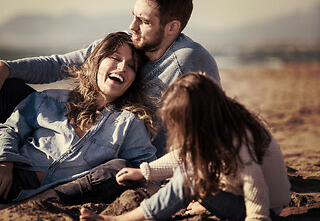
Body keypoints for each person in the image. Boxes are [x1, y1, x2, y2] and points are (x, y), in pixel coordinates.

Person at [0, 0, 221, 158]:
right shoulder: (123, 46)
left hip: (117, 151)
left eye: (143, 21)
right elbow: (58, 65)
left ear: (172, 28)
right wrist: (6, 67)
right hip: (79, 127)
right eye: (133, 15)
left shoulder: (190, 60)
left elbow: (216, 124)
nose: (132, 26)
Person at [0, 32, 157, 217]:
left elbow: (149, 171)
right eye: (115, 58)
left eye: (131, 66)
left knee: (119, 168)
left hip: (52, 197)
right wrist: (4, 163)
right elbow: (9, 129)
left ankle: (9, 209)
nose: (122, 68)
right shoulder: (52, 98)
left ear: (133, 79)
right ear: (96, 62)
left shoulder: (129, 123)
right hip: (0, 178)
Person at [79, 72, 291, 221]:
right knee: (187, 172)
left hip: (262, 209)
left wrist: (257, 217)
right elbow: (184, 154)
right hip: (237, 194)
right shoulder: (225, 117)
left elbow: (255, 186)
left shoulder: (235, 140)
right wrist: (143, 172)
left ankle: (120, 220)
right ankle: (202, 199)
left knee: (189, 180)